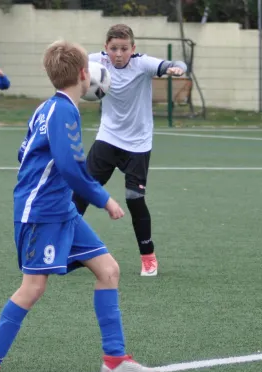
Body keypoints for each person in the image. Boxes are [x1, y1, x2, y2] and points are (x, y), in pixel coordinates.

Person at [0, 40, 161, 372]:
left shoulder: (45, 108)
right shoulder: (64, 112)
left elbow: (22, 151)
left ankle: (115, 360)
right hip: (41, 213)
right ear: (84, 75)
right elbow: (72, 168)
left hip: (61, 211)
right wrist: (105, 200)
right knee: (32, 288)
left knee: (108, 270)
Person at [72, 24, 187, 277]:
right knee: (81, 192)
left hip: (138, 144)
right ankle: (67, 248)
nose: (119, 54)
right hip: (108, 138)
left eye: (124, 49)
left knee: (134, 199)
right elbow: (71, 58)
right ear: (106, 49)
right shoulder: (96, 62)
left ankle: (148, 256)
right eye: (114, 49)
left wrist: (177, 68)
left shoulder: (142, 64)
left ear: (132, 49)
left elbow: (174, 64)